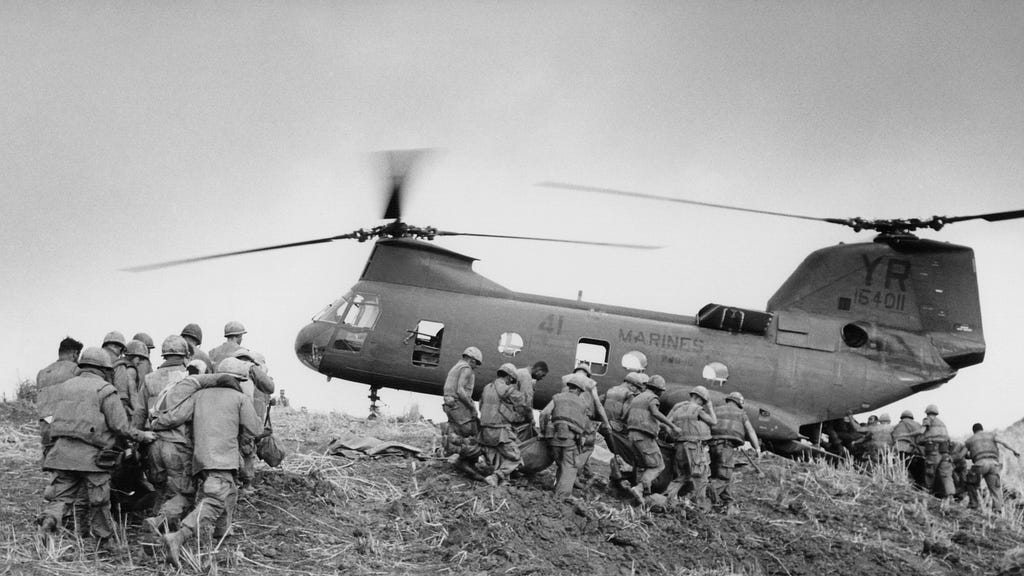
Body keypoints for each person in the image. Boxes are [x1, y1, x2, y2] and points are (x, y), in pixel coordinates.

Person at [36, 347, 157, 551]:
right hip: (93, 457)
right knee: (99, 500)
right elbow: (121, 426)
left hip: (62, 454)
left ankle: (48, 523)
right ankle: (105, 541)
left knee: (62, 497)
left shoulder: (64, 387)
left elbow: (49, 419)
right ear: (103, 368)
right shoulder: (105, 390)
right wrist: (143, 436)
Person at [160, 359, 261, 567]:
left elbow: (178, 418)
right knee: (214, 501)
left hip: (200, 459)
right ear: (240, 380)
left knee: (229, 493)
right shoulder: (240, 398)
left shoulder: (199, 396)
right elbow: (255, 430)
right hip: (222, 459)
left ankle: (220, 535)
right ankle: (178, 537)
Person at [625, 374, 681, 503]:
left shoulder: (637, 398)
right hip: (644, 436)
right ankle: (639, 490)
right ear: (658, 390)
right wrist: (672, 426)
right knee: (658, 466)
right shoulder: (652, 398)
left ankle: (644, 494)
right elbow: (655, 413)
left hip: (632, 435)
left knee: (643, 465)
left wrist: (660, 425)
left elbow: (639, 416)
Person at [538, 373, 593, 499]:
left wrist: (542, 431)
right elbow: (585, 427)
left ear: (569, 387)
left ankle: (557, 489)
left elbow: (545, 413)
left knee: (560, 464)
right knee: (569, 466)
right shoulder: (582, 404)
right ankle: (562, 497)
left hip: (553, 438)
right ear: (579, 390)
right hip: (569, 440)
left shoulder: (557, 397)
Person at [662, 386, 717, 511]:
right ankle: (701, 508)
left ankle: (665, 500)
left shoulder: (678, 409)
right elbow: (714, 422)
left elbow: (666, 425)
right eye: (703, 401)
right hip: (694, 447)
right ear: (699, 398)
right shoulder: (698, 410)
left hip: (680, 446)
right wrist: (710, 406)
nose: (703, 403)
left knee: (682, 476)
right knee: (700, 477)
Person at [231, 349, 276, 491]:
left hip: (230, 419)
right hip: (245, 420)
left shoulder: (229, 372)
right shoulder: (250, 375)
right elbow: (268, 388)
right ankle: (246, 484)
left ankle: (237, 482)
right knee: (247, 449)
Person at [708, 391, 760, 509]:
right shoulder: (741, 413)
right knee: (724, 477)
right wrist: (757, 448)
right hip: (726, 447)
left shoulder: (716, 410)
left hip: (712, 446)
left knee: (718, 474)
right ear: (739, 403)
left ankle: (727, 502)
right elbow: (750, 431)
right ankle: (707, 491)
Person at [478, 363, 524, 487]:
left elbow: (481, 406)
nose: (511, 383)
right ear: (509, 377)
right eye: (512, 380)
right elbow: (523, 403)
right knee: (516, 456)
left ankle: (503, 481)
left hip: (484, 431)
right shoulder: (507, 389)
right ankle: (496, 477)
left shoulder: (487, 387)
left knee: (500, 455)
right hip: (499, 431)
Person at [442, 347, 484, 478]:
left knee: (458, 432)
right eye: (476, 363)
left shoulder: (456, 367)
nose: (475, 367)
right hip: (458, 405)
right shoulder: (466, 369)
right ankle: (465, 462)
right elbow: (461, 390)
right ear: (471, 359)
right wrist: (472, 407)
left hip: (449, 405)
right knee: (474, 433)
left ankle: (455, 454)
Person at [600, 372, 649, 486]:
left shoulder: (610, 390)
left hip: (605, 426)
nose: (637, 391)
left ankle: (617, 479)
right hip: (618, 429)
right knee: (631, 454)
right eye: (637, 388)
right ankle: (622, 481)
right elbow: (627, 414)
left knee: (617, 454)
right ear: (631, 385)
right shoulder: (629, 394)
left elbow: (599, 404)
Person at [965, 423, 1020, 512]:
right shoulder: (991, 435)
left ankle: (974, 505)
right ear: (982, 429)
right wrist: (1014, 451)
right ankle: (998, 510)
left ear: (974, 431)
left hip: (980, 465)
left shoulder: (970, 440)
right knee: (995, 489)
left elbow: (964, 453)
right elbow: (1004, 443)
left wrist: (970, 456)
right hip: (994, 464)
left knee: (971, 483)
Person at [917, 404, 955, 498]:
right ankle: (950, 496)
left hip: (933, 452)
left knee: (930, 473)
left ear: (927, 412)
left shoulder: (927, 420)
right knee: (946, 475)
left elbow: (921, 433)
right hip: (945, 453)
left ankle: (927, 495)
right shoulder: (942, 423)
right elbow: (949, 440)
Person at [511, 361, 548, 441]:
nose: (542, 378)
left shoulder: (520, 371)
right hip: (514, 416)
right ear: (538, 370)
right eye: (543, 375)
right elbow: (527, 401)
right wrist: (531, 418)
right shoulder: (526, 377)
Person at [891, 410, 924, 485]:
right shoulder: (917, 425)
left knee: (900, 470)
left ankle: (901, 483)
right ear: (912, 417)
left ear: (901, 417)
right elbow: (920, 438)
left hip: (899, 450)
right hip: (913, 450)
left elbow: (893, 437)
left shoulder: (898, 426)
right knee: (917, 473)